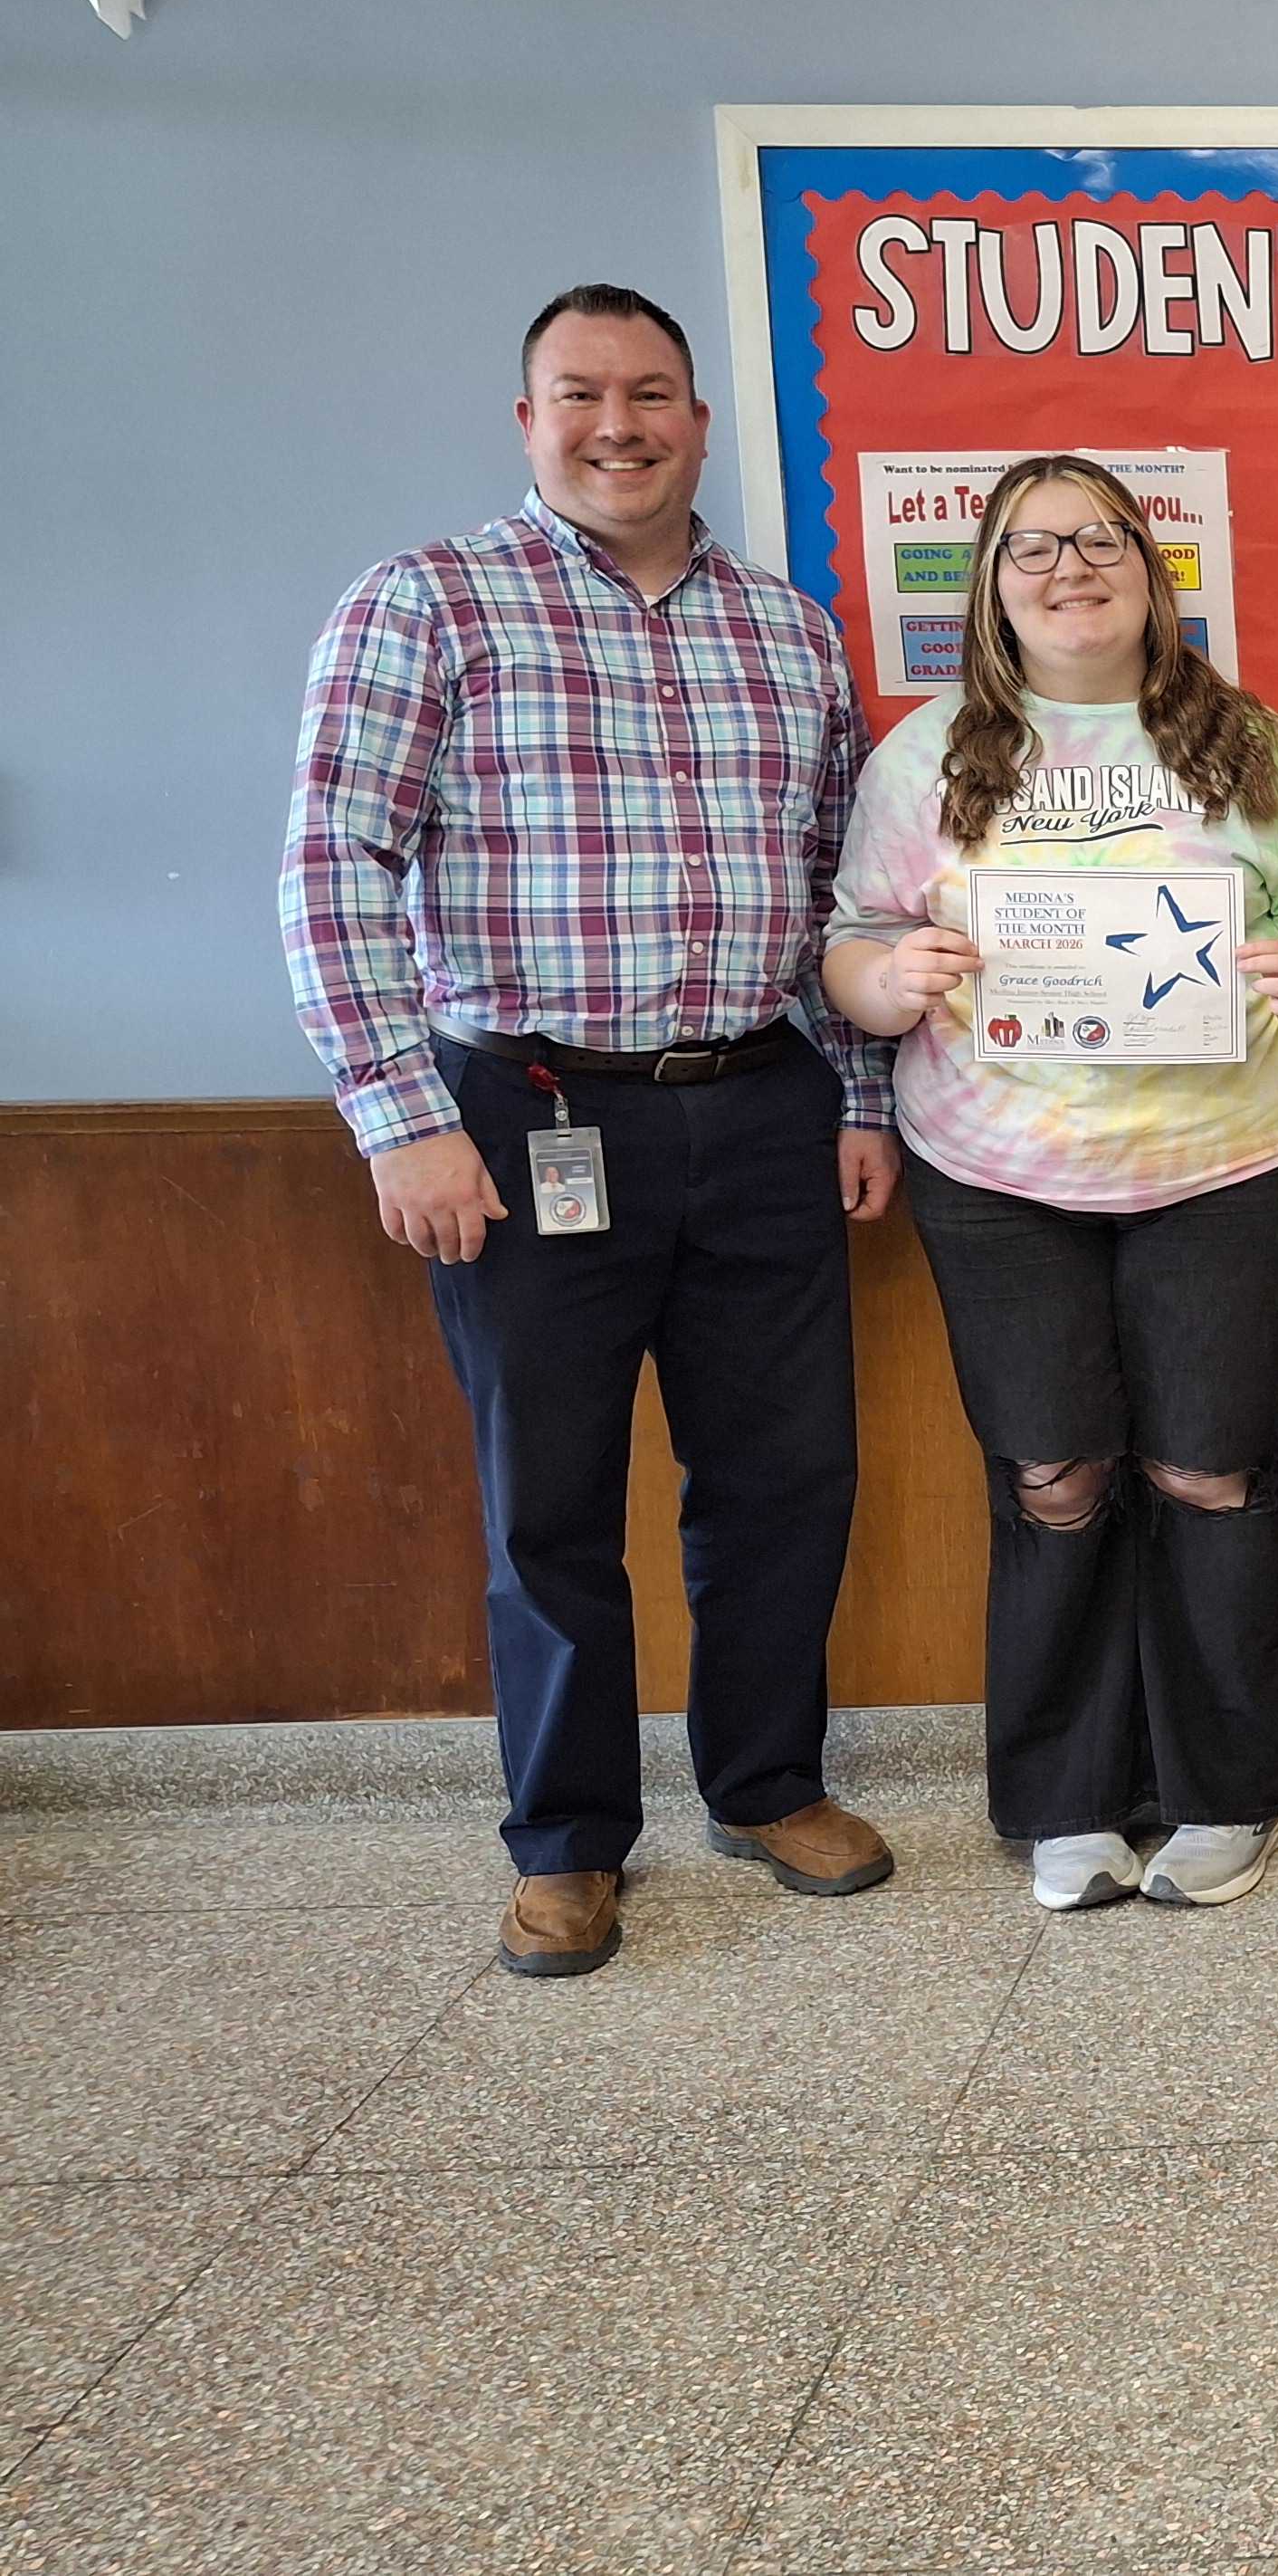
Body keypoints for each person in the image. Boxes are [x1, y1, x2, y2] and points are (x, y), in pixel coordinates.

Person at [281, 283, 902, 1977]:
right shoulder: (427, 603)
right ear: (527, 420)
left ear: (701, 420)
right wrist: (403, 1121)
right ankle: (565, 1839)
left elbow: (837, 896)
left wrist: (851, 1093)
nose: (616, 424)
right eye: (579, 395)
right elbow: (332, 868)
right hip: (522, 1110)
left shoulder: (787, 627)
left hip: (761, 1104)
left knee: (784, 1480)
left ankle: (767, 1783)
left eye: (649, 394)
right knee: (546, 1502)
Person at [823, 455, 1278, 1912]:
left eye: (1098, 538)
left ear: (1151, 565)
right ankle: (1067, 1798)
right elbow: (851, 946)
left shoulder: (1250, 742)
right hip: (1001, 1175)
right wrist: (888, 977)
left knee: (1209, 1472)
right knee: (1055, 1480)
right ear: (990, 588)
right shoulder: (925, 754)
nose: (1067, 567)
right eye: (1028, 546)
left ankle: (1229, 1787)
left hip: (1227, 1167)